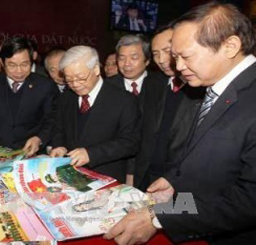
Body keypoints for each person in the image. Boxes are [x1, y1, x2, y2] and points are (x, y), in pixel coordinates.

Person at [104, 2, 256, 244]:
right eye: (175, 57)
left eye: (185, 57)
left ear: (230, 46)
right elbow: (215, 170)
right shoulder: (214, 86)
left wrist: (159, 216)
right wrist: (175, 182)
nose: (178, 67)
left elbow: (248, 201)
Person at [49, 45, 139, 183]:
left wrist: (91, 154)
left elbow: (129, 143)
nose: (75, 84)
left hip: (106, 177)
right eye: (69, 79)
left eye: (80, 77)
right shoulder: (66, 97)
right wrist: (59, 146)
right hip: (70, 175)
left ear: (96, 69)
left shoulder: (124, 100)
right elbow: (59, 129)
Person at [134, 24, 205, 190]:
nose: (161, 60)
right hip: (146, 175)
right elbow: (139, 130)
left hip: (180, 182)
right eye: (156, 54)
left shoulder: (203, 88)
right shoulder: (152, 83)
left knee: (170, 215)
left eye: (167, 51)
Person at [0, 37, 59, 156]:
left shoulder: (45, 85)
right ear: (2, 63)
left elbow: (52, 119)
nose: (19, 71)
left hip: (32, 152)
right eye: (12, 65)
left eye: (24, 64)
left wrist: (39, 138)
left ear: (32, 61)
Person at [107, 34, 167, 185]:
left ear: (147, 61)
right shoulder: (106, 88)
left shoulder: (162, 85)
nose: (126, 64)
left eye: (134, 58)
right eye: (121, 58)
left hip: (153, 170)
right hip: (115, 167)